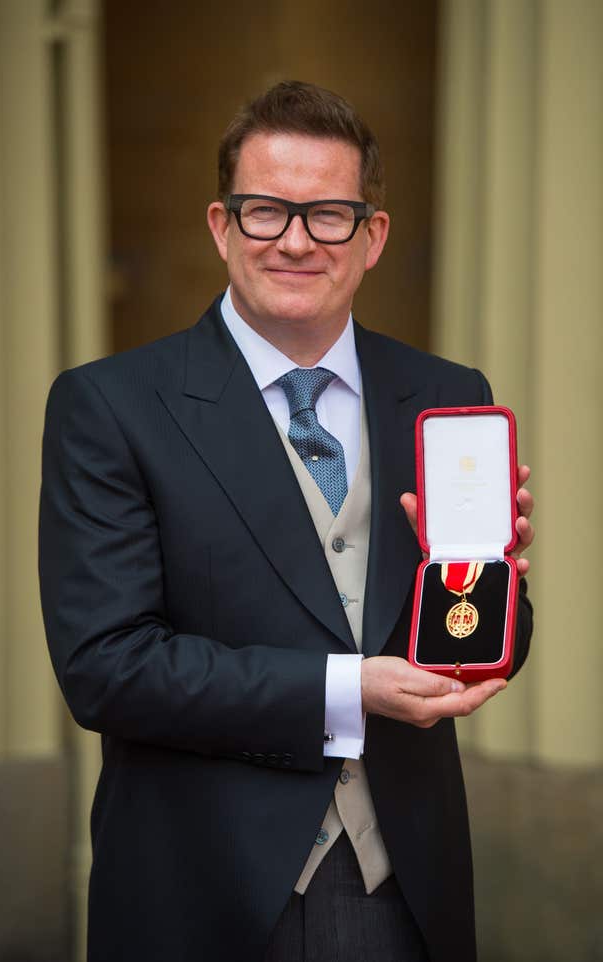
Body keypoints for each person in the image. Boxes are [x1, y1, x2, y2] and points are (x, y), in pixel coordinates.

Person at [39, 81, 534, 962]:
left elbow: (473, 645)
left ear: (372, 235)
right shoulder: (110, 405)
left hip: (403, 886)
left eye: (330, 214)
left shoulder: (450, 397)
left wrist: (492, 589)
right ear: (222, 225)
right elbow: (106, 670)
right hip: (198, 888)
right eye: (266, 211)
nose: (296, 240)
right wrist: (349, 690)